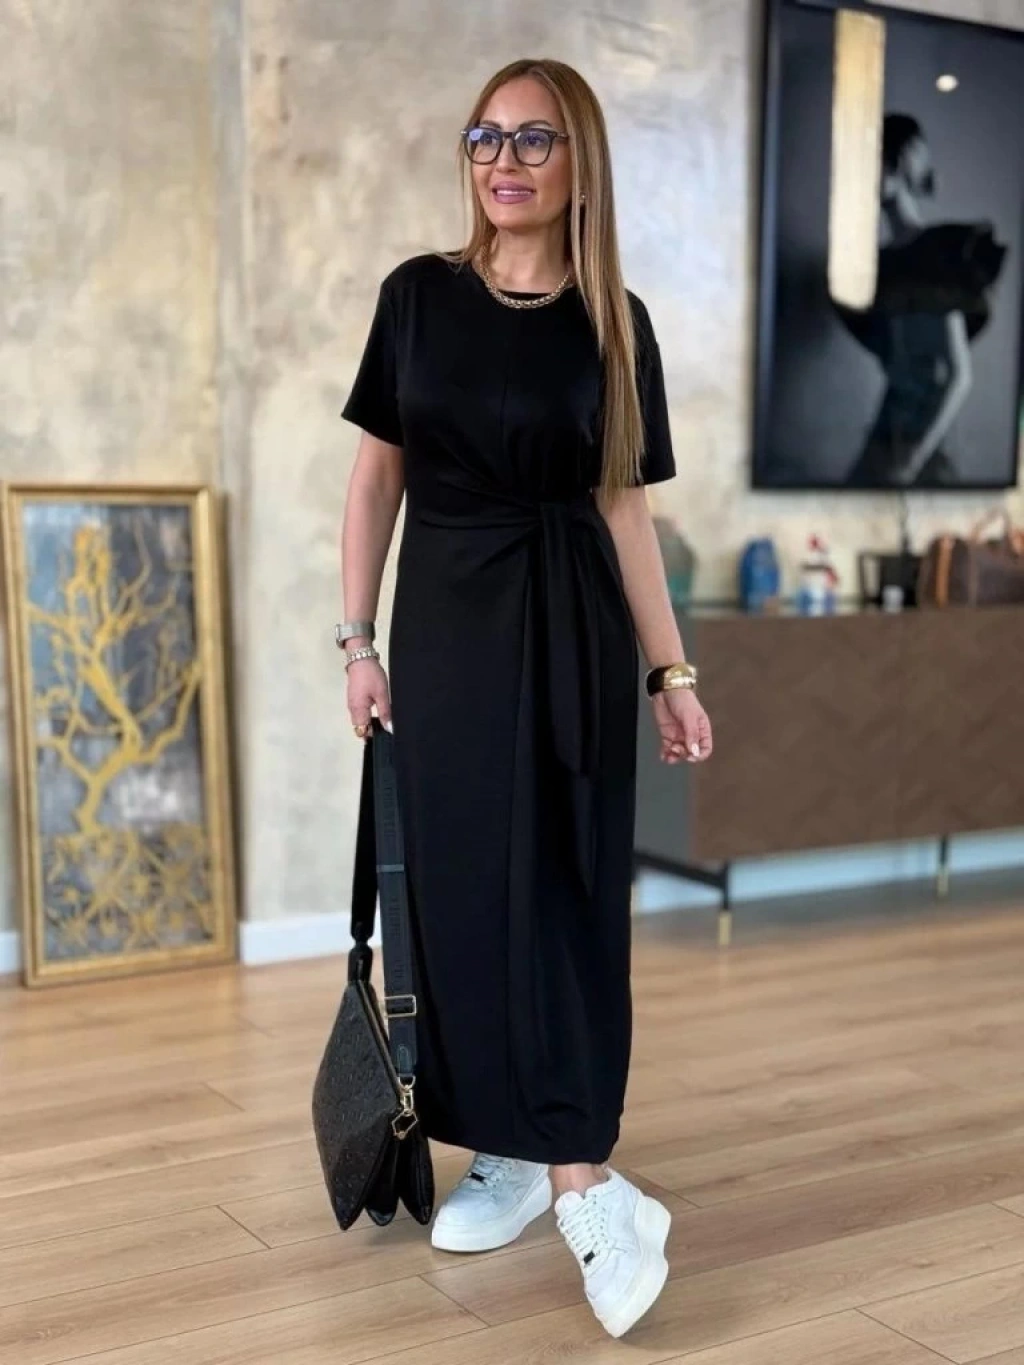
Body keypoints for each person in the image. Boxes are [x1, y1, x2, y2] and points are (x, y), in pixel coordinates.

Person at [338, 56, 712, 1339]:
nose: (504, 160)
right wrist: (355, 641)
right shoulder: (416, 298)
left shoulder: (615, 324)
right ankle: (501, 1139)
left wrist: (670, 671)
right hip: (446, 631)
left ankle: (580, 1178)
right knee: (456, 894)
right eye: (485, 137)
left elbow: (625, 510)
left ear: (579, 161)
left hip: (572, 633)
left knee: (560, 890)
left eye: (534, 139)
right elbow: (374, 480)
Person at [838, 113, 1006, 488]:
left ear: (896, 164)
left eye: (872, 164)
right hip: (887, 425)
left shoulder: (935, 253)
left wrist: (911, 460)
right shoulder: (880, 266)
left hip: (921, 438)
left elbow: (959, 376)